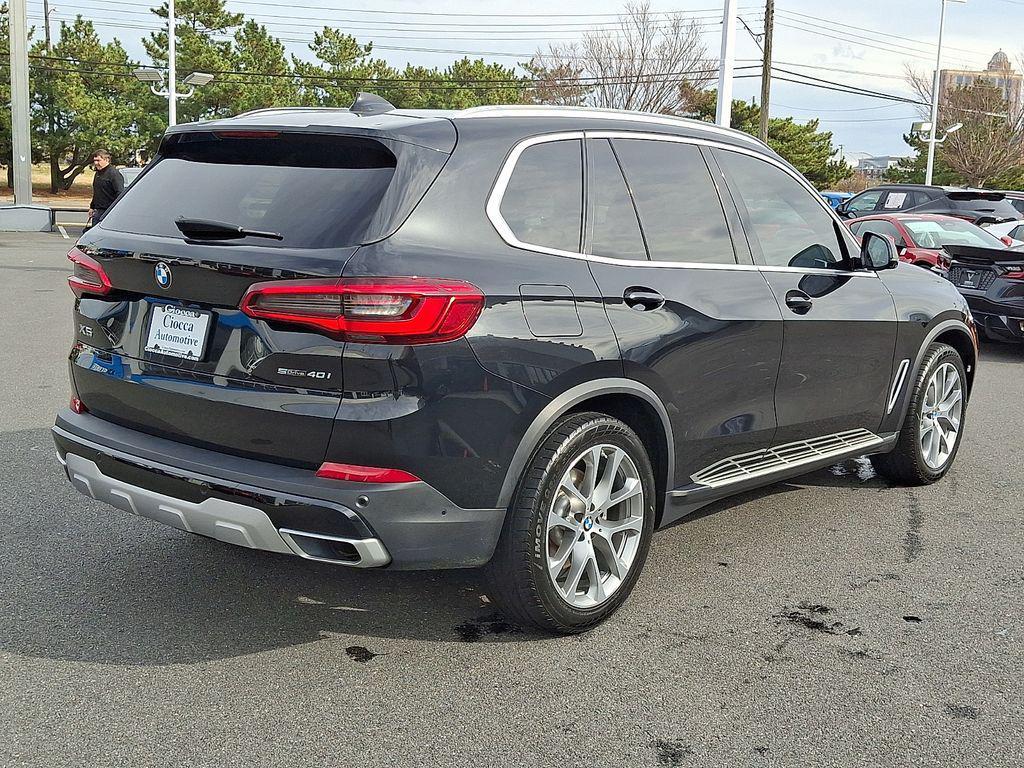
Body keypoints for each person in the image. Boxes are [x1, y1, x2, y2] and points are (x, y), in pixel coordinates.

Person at [88, 149, 125, 226]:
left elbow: (120, 194)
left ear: (107, 159)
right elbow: (97, 192)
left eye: (98, 160)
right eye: (95, 161)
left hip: (109, 212)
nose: (96, 163)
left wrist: (114, 211)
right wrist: (92, 207)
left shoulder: (114, 174)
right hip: (97, 211)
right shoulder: (98, 173)